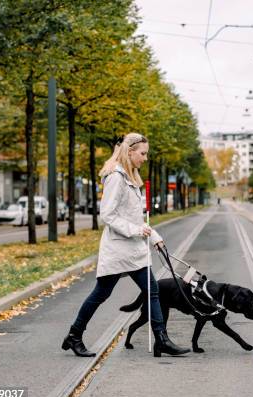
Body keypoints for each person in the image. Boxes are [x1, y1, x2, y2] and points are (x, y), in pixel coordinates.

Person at [61, 133, 190, 358]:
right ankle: (74, 335)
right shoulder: (116, 178)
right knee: (101, 294)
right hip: (119, 250)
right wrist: (137, 231)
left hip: (134, 251)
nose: (145, 158)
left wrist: (154, 236)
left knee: (153, 291)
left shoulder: (130, 179)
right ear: (130, 152)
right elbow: (108, 215)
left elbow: (136, 218)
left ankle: (161, 340)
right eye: (142, 153)